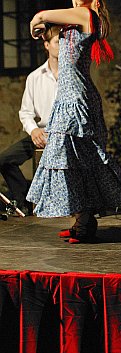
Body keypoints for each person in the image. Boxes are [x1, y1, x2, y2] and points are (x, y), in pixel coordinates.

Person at [26, 0, 121, 243]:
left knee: (79, 159)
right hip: (69, 97)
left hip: (76, 100)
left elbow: (44, 14)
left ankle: (85, 222)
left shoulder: (87, 15)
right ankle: (80, 219)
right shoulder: (79, 15)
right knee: (72, 160)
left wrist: (38, 19)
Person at [0, 25, 60, 215]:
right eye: (58, 42)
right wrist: (34, 130)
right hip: (41, 133)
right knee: (4, 160)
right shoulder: (35, 77)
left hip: (65, 135)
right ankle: (23, 201)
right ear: (47, 45)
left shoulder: (72, 76)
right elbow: (25, 112)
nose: (62, 47)